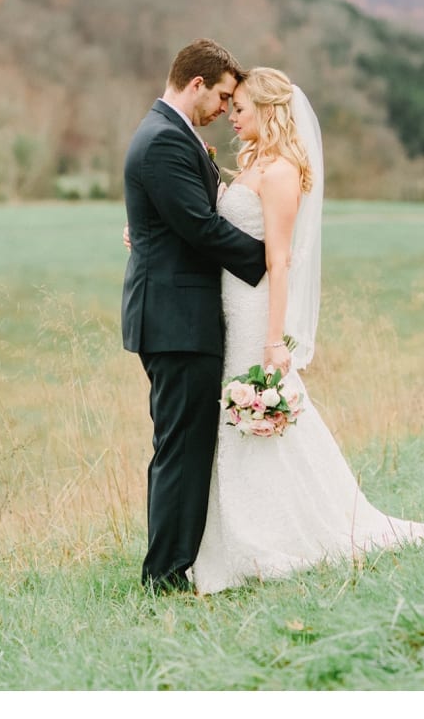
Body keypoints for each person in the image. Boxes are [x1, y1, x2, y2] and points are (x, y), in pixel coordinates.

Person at [188, 67, 424, 595]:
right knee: (236, 421)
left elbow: (280, 261)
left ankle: (267, 538)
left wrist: (273, 340)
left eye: (240, 108)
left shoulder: (283, 171)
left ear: (267, 111)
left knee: (257, 419)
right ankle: (231, 537)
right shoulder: (251, 166)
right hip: (228, 308)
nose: (232, 117)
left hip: (256, 311)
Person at [121, 38, 268, 593]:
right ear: (197, 83)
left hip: (177, 314)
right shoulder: (163, 141)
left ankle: (174, 563)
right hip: (175, 320)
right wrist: (271, 263)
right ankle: (164, 574)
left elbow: (177, 219)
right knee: (181, 450)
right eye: (223, 97)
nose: (225, 111)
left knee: (181, 445)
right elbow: (200, 227)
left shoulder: (174, 137)